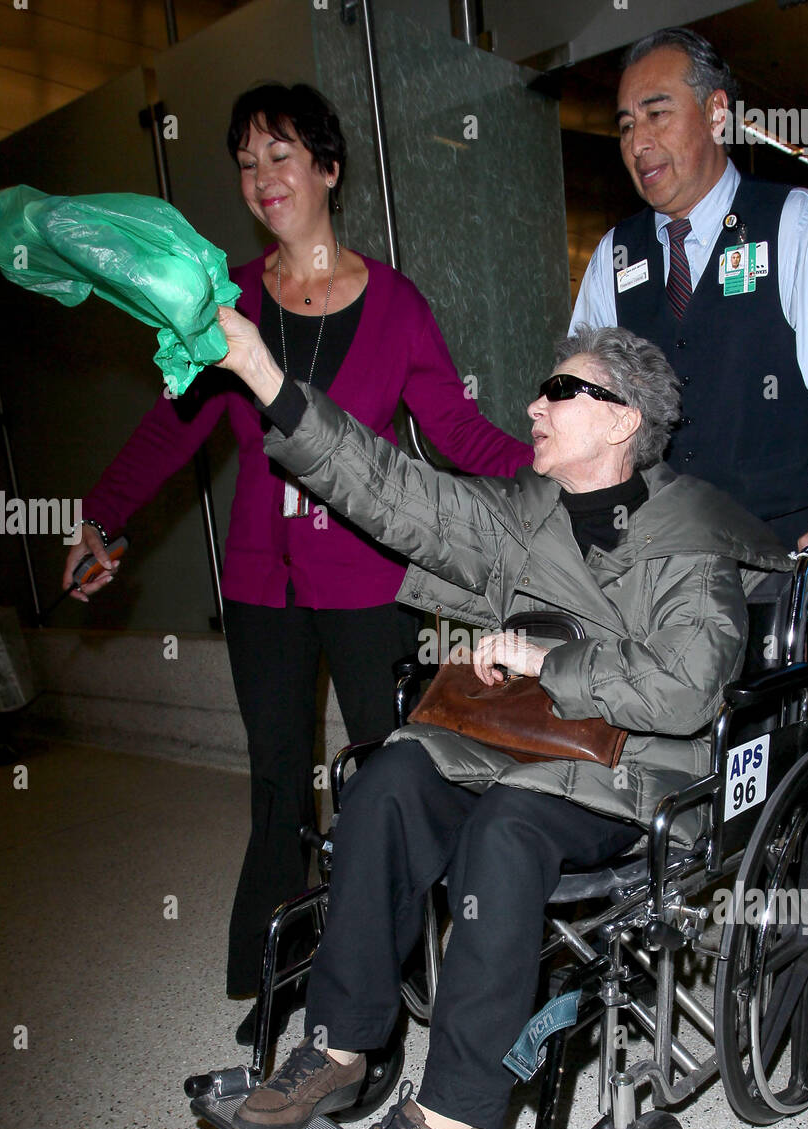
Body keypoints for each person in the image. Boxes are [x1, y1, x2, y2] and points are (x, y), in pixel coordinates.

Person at [213, 310, 791, 1129]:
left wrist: (546, 660)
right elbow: (391, 487)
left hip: (629, 773)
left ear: (623, 418)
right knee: (391, 778)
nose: (533, 406)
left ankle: (455, 1124)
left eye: (561, 390)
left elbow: (683, 689)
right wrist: (267, 379)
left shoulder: (691, 537)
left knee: (508, 829)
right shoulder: (522, 514)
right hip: (515, 745)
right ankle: (338, 1046)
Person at [63, 84, 532, 1043]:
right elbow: (172, 426)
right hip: (259, 581)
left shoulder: (397, 305)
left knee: (386, 774)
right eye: (245, 162)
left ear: (327, 168)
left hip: (367, 579)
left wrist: (557, 476)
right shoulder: (224, 300)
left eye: (280, 156)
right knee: (278, 775)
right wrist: (102, 519)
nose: (261, 179)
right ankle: (280, 973)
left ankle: (390, 977)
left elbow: (452, 430)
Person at [570, 26, 808, 574]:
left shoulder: (796, 222)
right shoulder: (614, 256)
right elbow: (586, 404)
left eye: (657, 114)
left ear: (717, 113)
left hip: (780, 547)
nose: (638, 142)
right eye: (626, 125)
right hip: (657, 556)